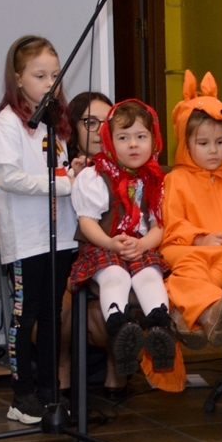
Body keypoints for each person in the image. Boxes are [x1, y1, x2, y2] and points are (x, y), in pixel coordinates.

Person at [0, 35, 80, 424]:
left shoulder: (54, 124)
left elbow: (58, 173)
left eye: (55, 75)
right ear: (18, 78)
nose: (49, 83)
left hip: (58, 235)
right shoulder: (9, 123)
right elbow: (8, 177)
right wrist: (60, 183)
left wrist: (74, 173)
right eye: (39, 75)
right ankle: (21, 395)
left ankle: (48, 391)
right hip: (27, 239)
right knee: (25, 316)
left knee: (51, 315)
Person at [68, 100, 176, 377]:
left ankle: (159, 328)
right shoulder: (95, 175)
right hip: (103, 246)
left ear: (154, 140)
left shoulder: (156, 179)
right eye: (123, 138)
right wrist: (110, 243)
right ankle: (120, 330)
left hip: (139, 246)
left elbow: (159, 226)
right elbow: (87, 221)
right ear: (109, 141)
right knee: (115, 275)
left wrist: (143, 245)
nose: (133, 145)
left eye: (141, 137)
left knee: (150, 274)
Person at [160, 71, 222, 349]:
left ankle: (185, 316)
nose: (213, 151)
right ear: (186, 145)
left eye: (220, 142)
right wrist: (200, 239)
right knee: (191, 264)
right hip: (184, 248)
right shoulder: (175, 179)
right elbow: (172, 223)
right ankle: (211, 310)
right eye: (203, 143)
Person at [56, 92, 127, 399]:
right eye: (90, 122)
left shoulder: (128, 166)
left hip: (110, 260)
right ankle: (62, 369)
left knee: (109, 308)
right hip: (67, 260)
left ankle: (116, 370)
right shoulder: (61, 165)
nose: (99, 130)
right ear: (73, 126)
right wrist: (73, 178)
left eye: (107, 122)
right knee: (60, 307)